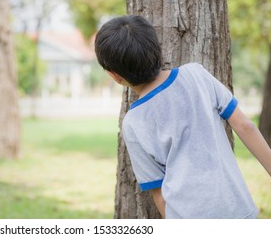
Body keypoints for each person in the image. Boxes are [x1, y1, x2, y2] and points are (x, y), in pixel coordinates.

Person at [94, 15, 271, 219]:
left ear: (115, 76)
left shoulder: (133, 123)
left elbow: (158, 192)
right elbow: (244, 125)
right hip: (237, 210)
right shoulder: (196, 75)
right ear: (157, 49)